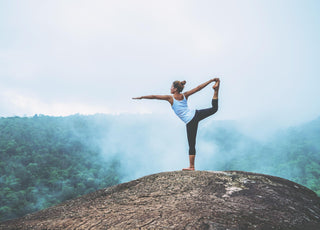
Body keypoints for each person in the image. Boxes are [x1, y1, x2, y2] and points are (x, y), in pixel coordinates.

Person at [132, 78, 220, 171]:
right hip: (196, 114)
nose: (170, 89)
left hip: (190, 121)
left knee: (191, 144)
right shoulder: (185, 95)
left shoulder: (170, 98)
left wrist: (141, 97)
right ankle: (216, 90)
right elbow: (198, 88)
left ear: (175, 89)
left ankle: (191, 167)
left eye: (171, 87)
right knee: (214, 109)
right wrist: (210, 81)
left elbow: (154, 96)